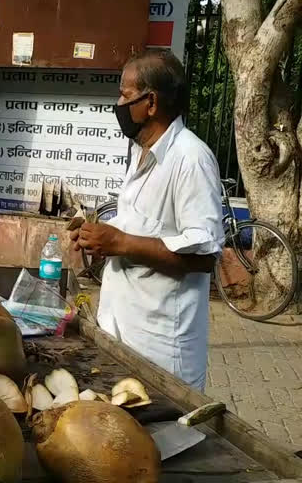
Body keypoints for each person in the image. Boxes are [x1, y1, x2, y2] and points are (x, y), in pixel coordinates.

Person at [70, 49, 224, 391]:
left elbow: (203, 255)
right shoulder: (143, 152)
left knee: (162, 441)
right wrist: (102, 241)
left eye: (125, 95)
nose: (119, 104)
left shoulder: (191, 159)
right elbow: (143, 232)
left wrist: (120, 242)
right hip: (123, 331)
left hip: (161, 350)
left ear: (150, 103)